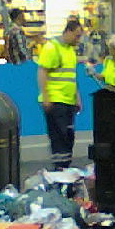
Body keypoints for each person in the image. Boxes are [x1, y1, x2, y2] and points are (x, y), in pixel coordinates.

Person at [37, 18, 84, 170]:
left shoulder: (70, 50)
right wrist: (45, 97)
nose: (78, 40)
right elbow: (42, 71)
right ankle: (60, 168)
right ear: (68, 31)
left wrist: (77, 97)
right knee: (59, 136)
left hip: (68, 101)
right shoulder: (52, 47)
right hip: (55, 100)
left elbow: (71, 76)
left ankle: (66, 167)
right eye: (77, 36)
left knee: (69, 136)